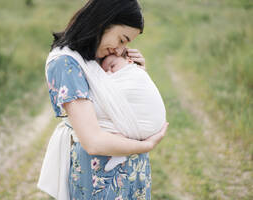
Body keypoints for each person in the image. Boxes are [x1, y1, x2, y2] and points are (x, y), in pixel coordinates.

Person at [37, 0, 169, 199]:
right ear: (103, 22)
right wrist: (146, 146)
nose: (119, 50)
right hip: (99, 178)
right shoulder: (66, 63)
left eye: (126, 44)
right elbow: (93, 142)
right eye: (122, 39)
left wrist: (135, 75)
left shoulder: (99, 58)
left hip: (133, 170)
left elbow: (117, 103)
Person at [99, 52, 167, 172]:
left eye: (112, 66)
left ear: (129, 61)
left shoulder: (134, 73)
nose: (109, 73)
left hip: (148, 127)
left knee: (103, 124)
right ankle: (118, 154)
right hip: (149, 132)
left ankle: (118, 154)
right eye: (105, 71)